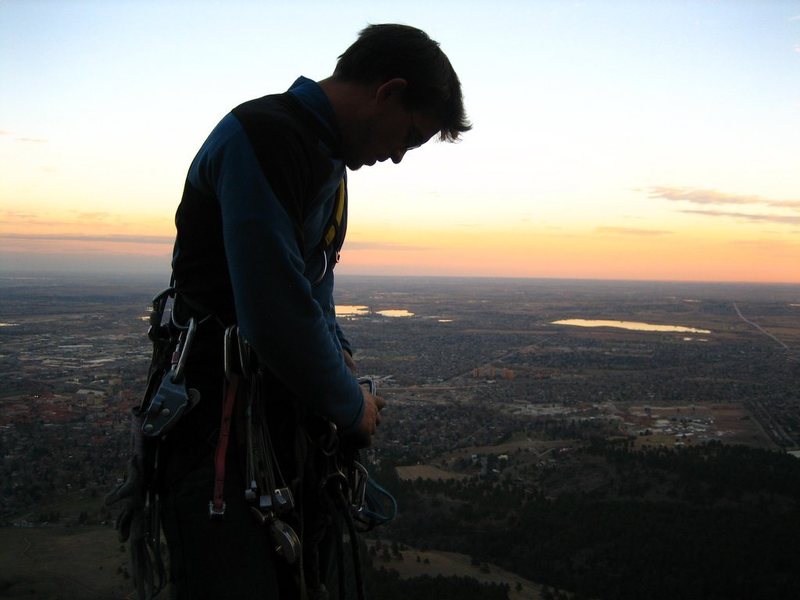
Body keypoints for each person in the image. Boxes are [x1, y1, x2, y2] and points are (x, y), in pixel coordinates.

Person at [155, 23, 469, 599]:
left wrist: (342, 364)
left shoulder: (322, 158)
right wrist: (351, 406)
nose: (399, 156)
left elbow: (314, 290)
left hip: (264, 422)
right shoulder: (266, 138)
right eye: (411, 135)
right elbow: (274, 311)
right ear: (388, 91)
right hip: (220, 424)